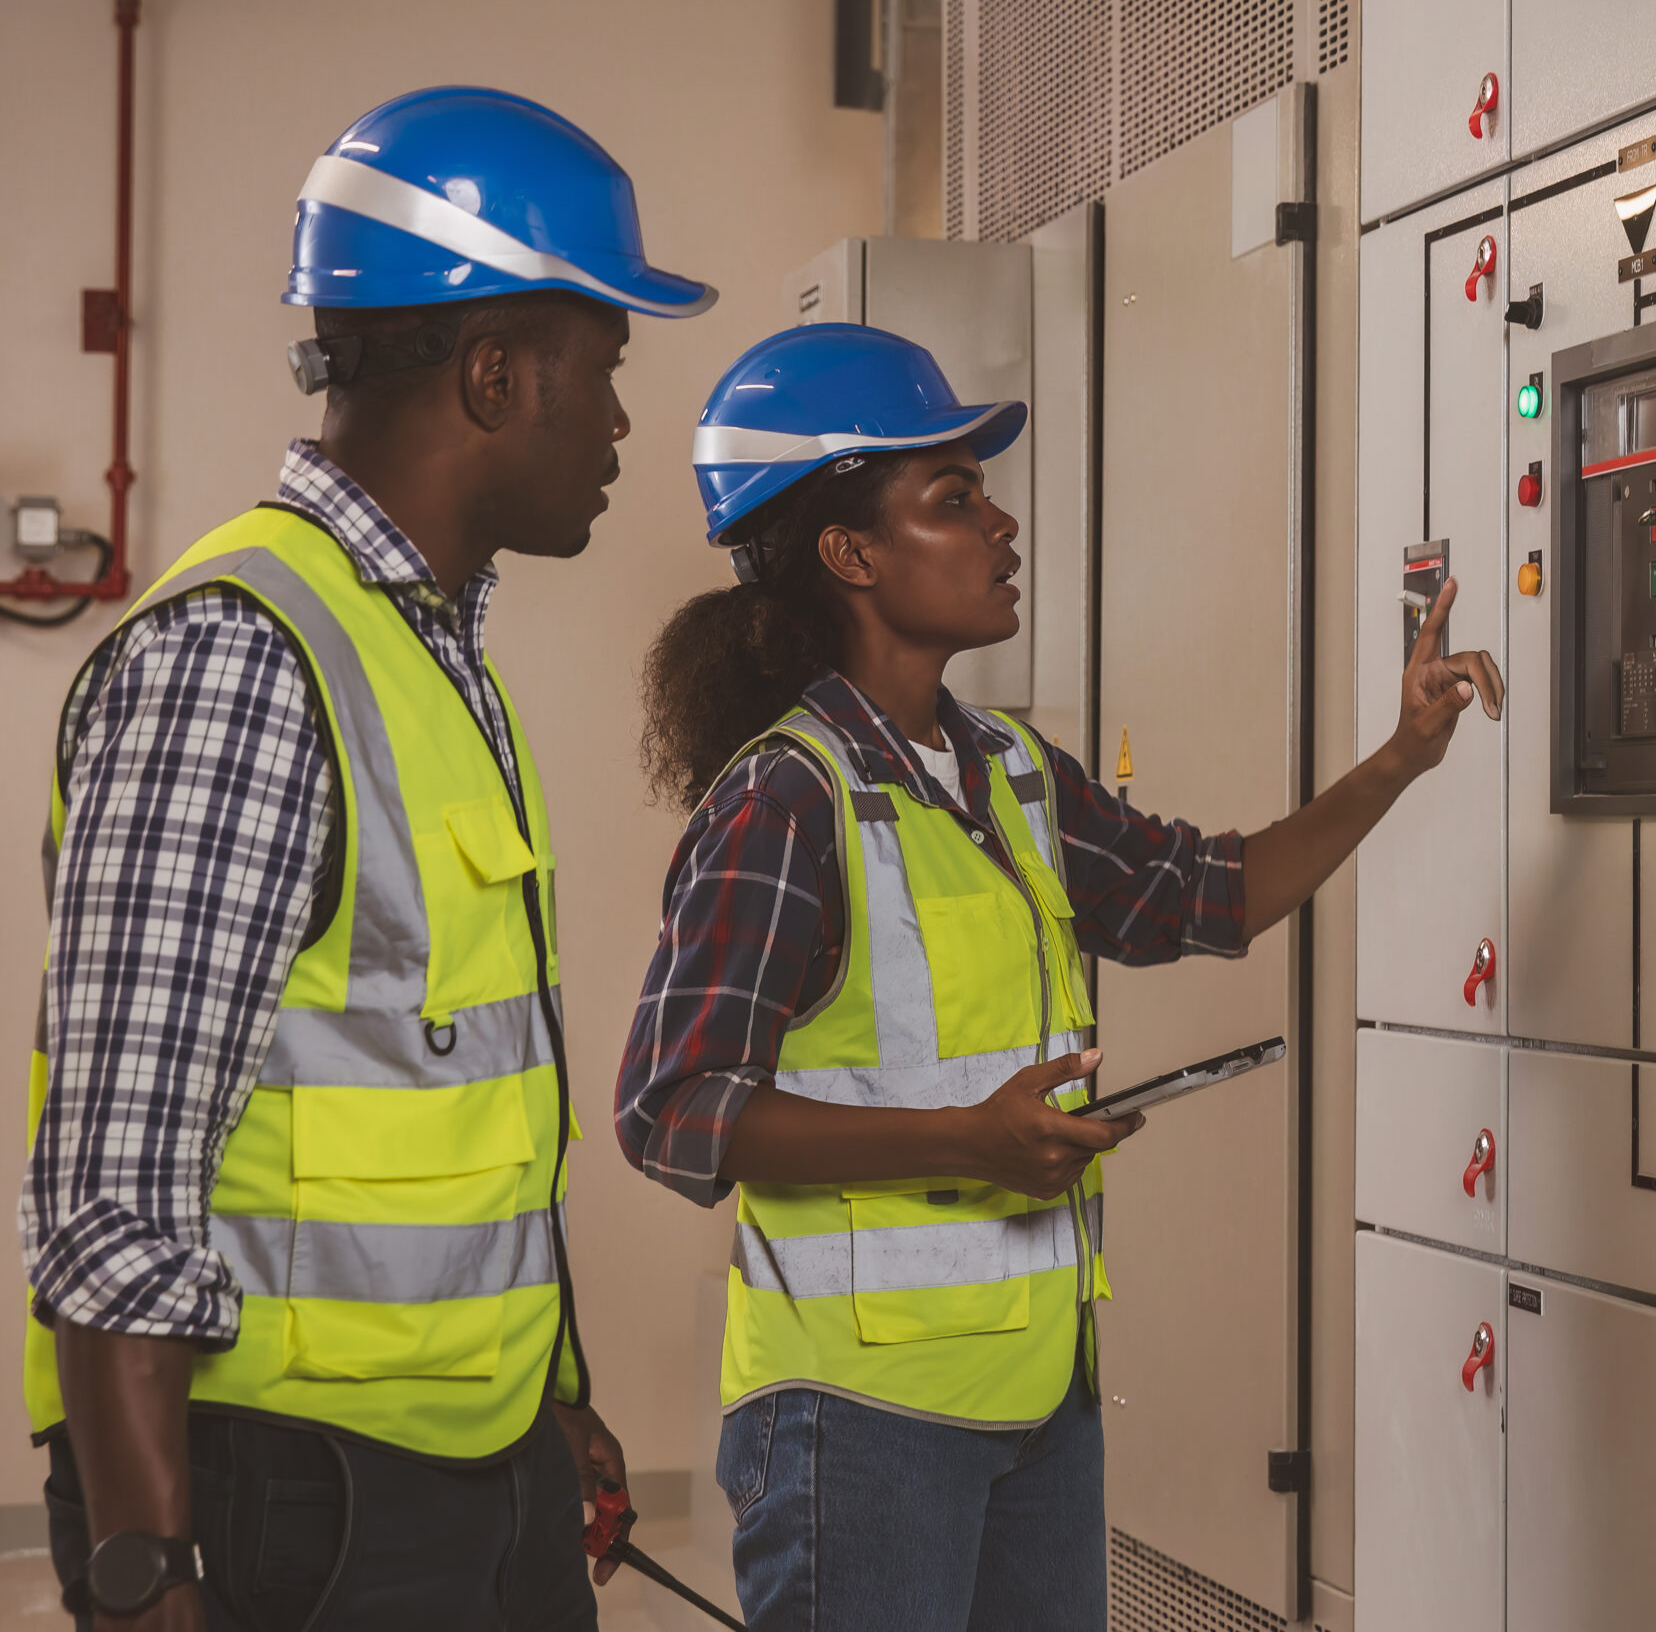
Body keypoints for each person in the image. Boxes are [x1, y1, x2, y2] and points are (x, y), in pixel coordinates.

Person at [616, 322, 1498, 1631]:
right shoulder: (785, 799)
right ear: (850, 554)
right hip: (857, 1423)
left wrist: (1402, 757)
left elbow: (1210, 894)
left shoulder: (1012, 770)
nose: (1003, 527)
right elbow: (674, 1109)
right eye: (955, 499)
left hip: (1040, 1400)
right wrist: (967, 1139)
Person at [18, 86, 715, 1631]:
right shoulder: (244, 658)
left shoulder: (427, 659)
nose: (615, 424)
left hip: (461, 1465)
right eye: (600, 372)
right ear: (490, 373)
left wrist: (546, 1406)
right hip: (291, 1496)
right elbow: (113, 1186)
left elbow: (448, 1104)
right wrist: (145, 1580)